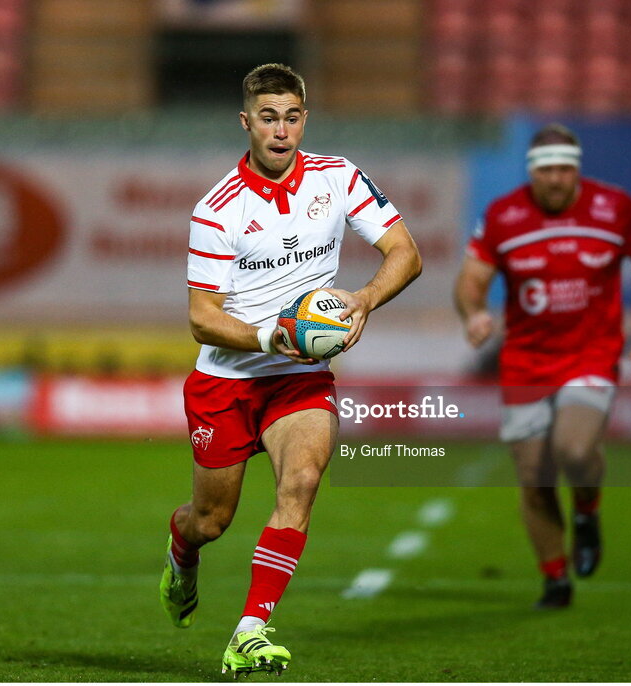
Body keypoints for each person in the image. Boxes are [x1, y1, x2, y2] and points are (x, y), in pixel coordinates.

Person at [160, 63, 422, 674]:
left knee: (301, 482)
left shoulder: (339, 176)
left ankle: (250, 630)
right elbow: (201, 319)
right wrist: (269, 337)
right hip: (226, 380)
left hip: (300, 376)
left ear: (306, 117)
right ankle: (179, 549)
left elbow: (404, 253)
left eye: (293, 116)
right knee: (211, 521)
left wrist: (361, 300)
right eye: (269, 117)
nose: (282, 131)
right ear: (246, 122)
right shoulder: (217, 209)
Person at [454, 123, 631, 608]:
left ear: (577, 169)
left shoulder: (614, 208)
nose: (556, 179)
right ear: (532, 172)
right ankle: (555, 577)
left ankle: (588, 511)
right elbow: (470, 279)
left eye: (565, 169)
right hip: (526, 362)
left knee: (572, 450)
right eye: (547, 169)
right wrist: (474, 314)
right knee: (534, 478)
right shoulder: (503, 215)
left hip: (591, 353)